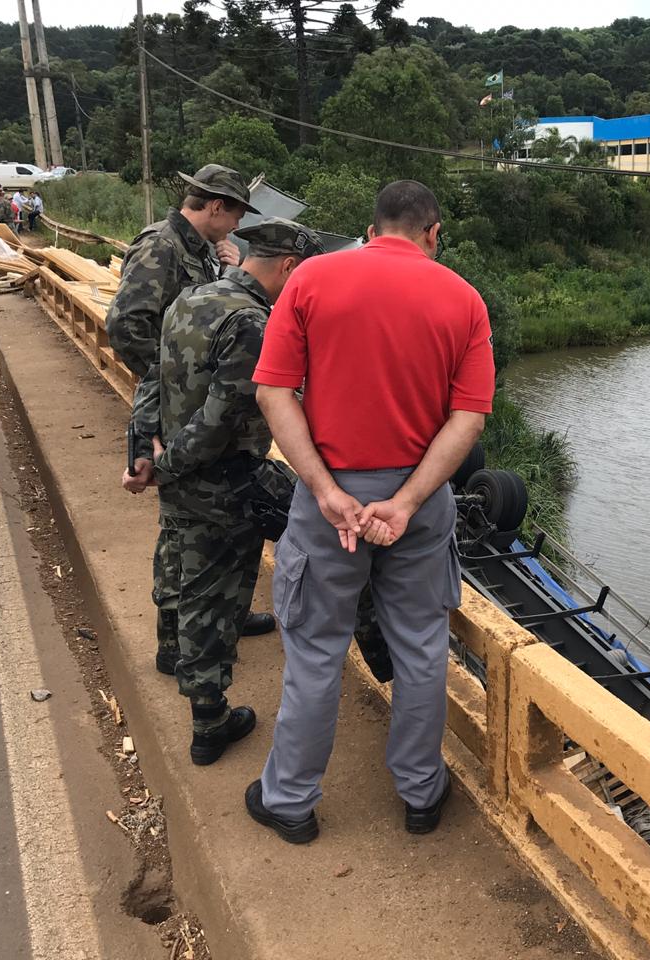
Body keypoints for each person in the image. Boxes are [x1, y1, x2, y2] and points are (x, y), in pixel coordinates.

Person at [244, 180, 495, 843]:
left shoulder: (313, 279)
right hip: (420, 500)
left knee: (316, 652)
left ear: (372, 225)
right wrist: (409, 500)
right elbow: (468, 416)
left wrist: (327, 492)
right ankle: (420, 792)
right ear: (433, 233)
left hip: (330, 503)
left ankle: (291, 800)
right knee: (420, 651)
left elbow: (273, 393)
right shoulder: (462, 299)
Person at [129, 218, 323, 765]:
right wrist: (173, 468)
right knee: (214, 598)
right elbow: (220, 420)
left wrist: (145, 453)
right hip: (218, 480)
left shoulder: (192, 298)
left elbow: (153, 383)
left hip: (179, 473)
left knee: (177, 563)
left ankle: (170, 653)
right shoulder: (253, 323)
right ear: (288, 266)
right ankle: (210, 723)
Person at [109, 163, 276, 677]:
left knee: (195, 527)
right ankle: (178, 640)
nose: (235, 226)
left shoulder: (200, 251)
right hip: (175, 408)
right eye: (235, 215)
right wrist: (173, 382)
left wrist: (229, 268)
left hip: (193, 409)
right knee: (184, 528)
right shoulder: (161, 245)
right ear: (216, 206)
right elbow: (125, 324)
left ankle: (220, 614)